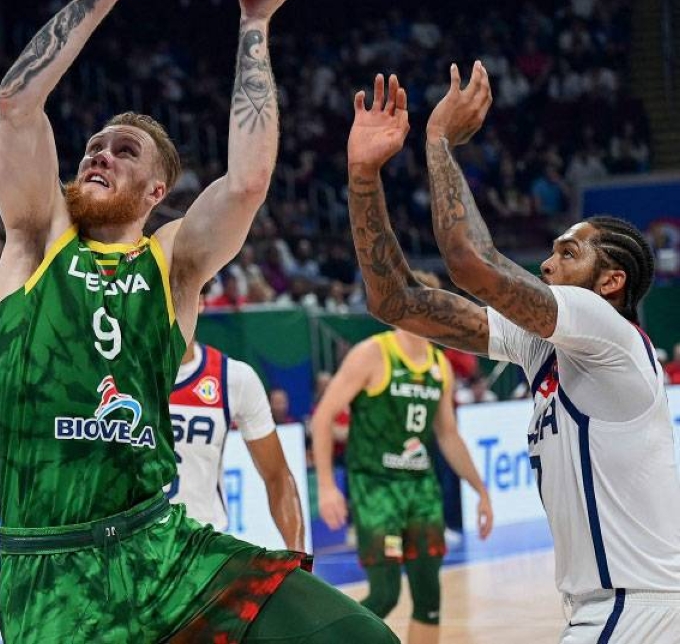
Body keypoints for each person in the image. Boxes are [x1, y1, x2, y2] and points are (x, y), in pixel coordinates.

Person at [0, 0, 392, 643]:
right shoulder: (34, 242)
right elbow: (18, 106)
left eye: (124, 151)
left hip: (165, 548)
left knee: (359, 637)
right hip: (52, 573)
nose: (99, 153)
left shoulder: (174, 262)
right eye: (94, 146)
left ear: (157, 190)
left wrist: (255, 24)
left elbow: (248, 182)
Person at [345, 64, 680, 642]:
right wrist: (363, 178)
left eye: (567, 253)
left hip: (636, 607)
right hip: (612, 607)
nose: (548, 265)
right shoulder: (543, 346)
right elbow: (395, 301)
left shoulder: (608, 332)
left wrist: (439, 142)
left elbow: (470, 260)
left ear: (610, 282)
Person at [311, 274, 494, 644]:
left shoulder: (438, 365)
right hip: (376, 486)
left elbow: (447, 434)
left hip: (421, 489)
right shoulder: (372, 353)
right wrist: (328, 486)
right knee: (385, 595)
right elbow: (323, 417)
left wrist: (480, 490)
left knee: (429, 598)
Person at [168, 338, 305, 549]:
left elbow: (277, 474)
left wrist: (300, 557)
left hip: (203, 547)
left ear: (201, 304)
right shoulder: (119, 372)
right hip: (137, 550)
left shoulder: (233, 377)